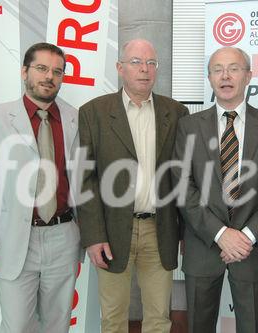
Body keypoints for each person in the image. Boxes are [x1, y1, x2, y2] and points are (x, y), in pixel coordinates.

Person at [172, 46, 258, 333]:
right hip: (203, 247)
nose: (225, 76)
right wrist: (220, 234)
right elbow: (182, 186)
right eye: (217, 69)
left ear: (248, 75)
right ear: (210, 77)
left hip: (252, 249)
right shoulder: (188, 126)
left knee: (251, 327)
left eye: (234, 68)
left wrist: (246, 237)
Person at [77, 39, 189, 333]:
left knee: (159, 317)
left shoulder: (176, 112)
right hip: (111, 233)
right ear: (120, 68)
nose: (144, 70)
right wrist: (93, 236)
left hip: (160, 229)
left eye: (151, 63)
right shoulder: (94, 112)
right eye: (136, 62)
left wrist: (185, 231)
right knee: (113, 317)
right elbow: (84, 179)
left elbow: (184, 176)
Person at [0, 42, 81, 333]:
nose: (49, 77)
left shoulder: (75, 119)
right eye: (42, 68)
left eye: (57, 71)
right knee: (17, 325)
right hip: (15, 238)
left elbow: (86, 181)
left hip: (63, 235)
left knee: (58, 324)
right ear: (24, 71)